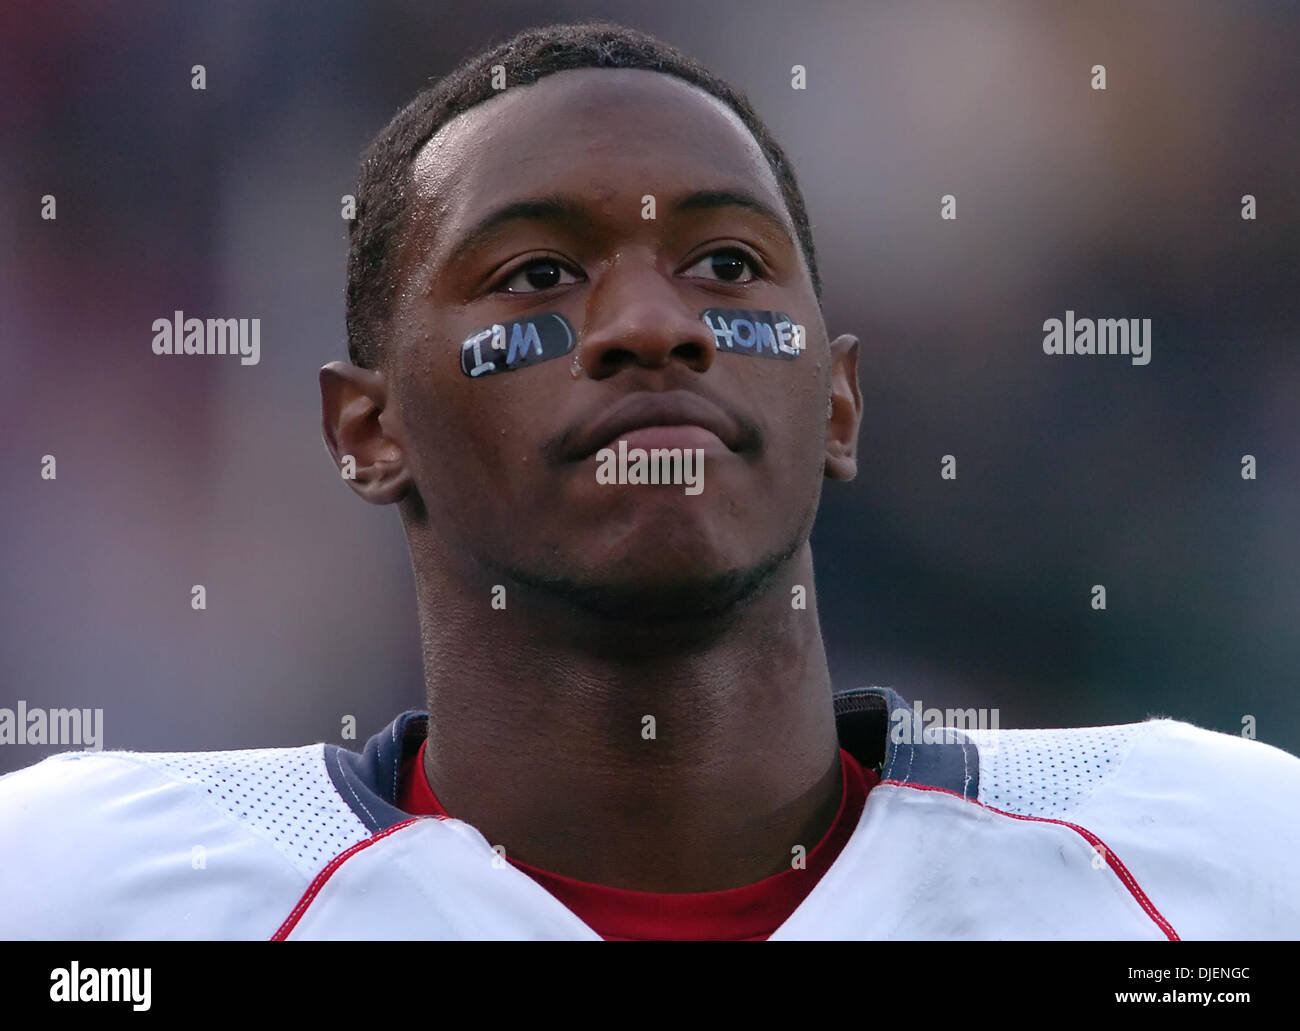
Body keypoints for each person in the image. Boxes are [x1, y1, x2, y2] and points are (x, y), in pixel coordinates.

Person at [2, 19, 1297, 941]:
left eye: (727, 265)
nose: (652, 327)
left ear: (838, 400)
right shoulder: (83, 890)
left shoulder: (1228, 862)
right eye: (536, 276)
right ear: (366, 432)